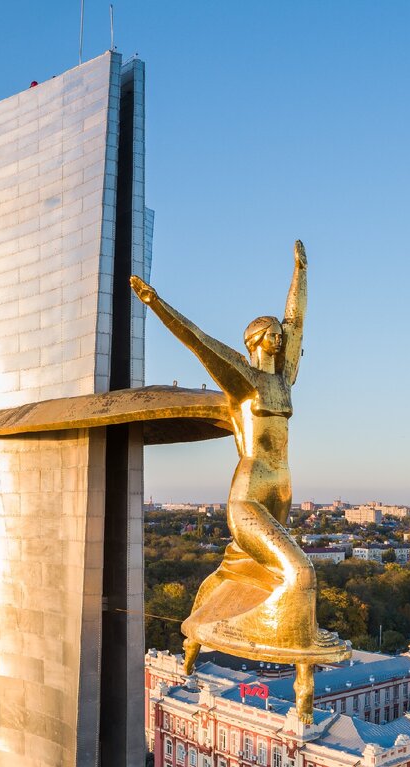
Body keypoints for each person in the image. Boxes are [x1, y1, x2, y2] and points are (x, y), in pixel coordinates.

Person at [131, 241, 345, 714]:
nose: (282, 338)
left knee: (252, 573)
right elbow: (197, 339)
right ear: (255, 341)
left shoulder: (284, 381)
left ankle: (215, 637)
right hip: (249, 495)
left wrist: (300, 272)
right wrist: (155, 302)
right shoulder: (241, 380)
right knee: (300, 572)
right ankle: (292, 650)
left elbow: (299, 320)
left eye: (280, 334)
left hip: (282, 493)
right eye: (272, 333)